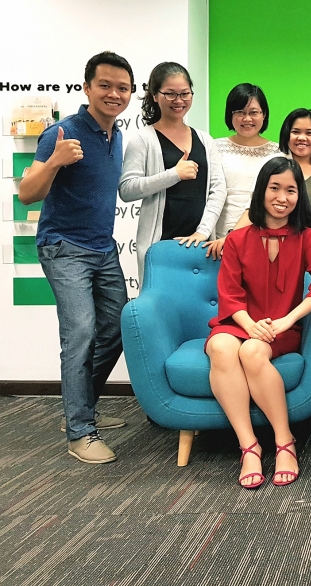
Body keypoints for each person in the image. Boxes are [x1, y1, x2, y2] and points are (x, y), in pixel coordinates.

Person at [19, 51, 134, 463]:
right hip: (64, 248)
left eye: (122, 88)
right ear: (86, 88)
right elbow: (27, 194)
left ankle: (80, 407)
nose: (114, 94)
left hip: (103, 248)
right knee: (81, 333)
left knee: (119, 327)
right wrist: (54, 161)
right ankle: (80, 432)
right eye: (105, 85)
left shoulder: (116, 135)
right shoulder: (62, 132)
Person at [205, 156, 311, 489]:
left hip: (282, 326)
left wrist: (288, 320)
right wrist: (250, 325)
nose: (282, 197)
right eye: (275, 188)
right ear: (262, 190)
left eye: (291, 190)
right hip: (241, 321)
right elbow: (230, 294)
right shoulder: (238, 239)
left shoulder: (306, 237)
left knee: (252, 352)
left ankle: (284, 442)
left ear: (299, 196)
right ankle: (249, 446)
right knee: (221, 347)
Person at [119, 62, 225, 284]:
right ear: (155, 96)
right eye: (170, 94)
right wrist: (174, 174)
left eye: (185, 93)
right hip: (159, 247)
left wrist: (202, 232)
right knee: (160, 302)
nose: (179, 100)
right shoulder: (143, 139)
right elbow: (127, 190)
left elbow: (218, 189)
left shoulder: (205, 140)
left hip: (201, 246)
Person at [204, 83, 279, 260]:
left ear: (264, 114)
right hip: (219, 238)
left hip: (262, 236)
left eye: (254, 112)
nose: (247, 119)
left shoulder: (278, 153)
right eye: (240, 112)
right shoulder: (214, 147)